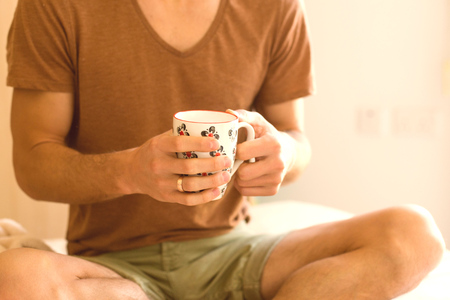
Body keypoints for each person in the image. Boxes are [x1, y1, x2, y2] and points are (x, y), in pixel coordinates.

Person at [1, 0, 445, 299]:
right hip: (115, 270)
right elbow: (32, 164)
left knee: (413, 234)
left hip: (237, 256)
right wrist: (131, 171)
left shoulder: (274, 8)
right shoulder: (55, 6)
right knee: (17, 277)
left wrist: (285, 155)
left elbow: (295, 136)